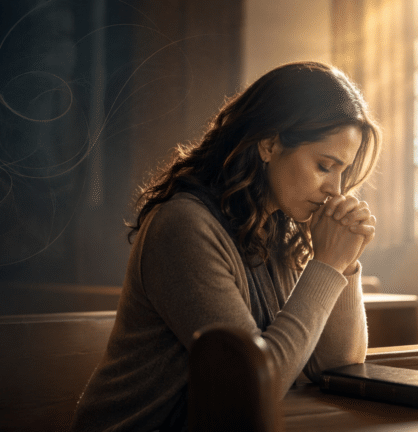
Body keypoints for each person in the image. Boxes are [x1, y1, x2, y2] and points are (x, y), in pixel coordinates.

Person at [70, 61, 381, 432]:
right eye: (324, 165)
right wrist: (326, 266)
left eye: (343, 172)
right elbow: (252, 388)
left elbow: (335, 366)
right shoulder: (184, 225)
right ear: (269, 143)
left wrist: (344, 264)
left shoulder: (278, 229)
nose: (336, 189)